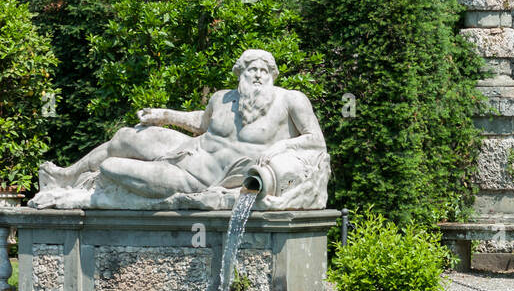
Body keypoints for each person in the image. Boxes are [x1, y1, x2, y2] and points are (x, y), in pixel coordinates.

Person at [37, 49, 326, 201]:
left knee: (110, 167)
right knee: (126, 137)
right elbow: (200, 124)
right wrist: (163, 114)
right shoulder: (222, 98)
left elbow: (316, 140)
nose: (259, 76)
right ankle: (66, 176)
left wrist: (281, 148)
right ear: (240, 73)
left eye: (265, 70)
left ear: (273, 74)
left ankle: (81, 192)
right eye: (252, 70)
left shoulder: (290, 100)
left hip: (200, 177)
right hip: (189, 148)